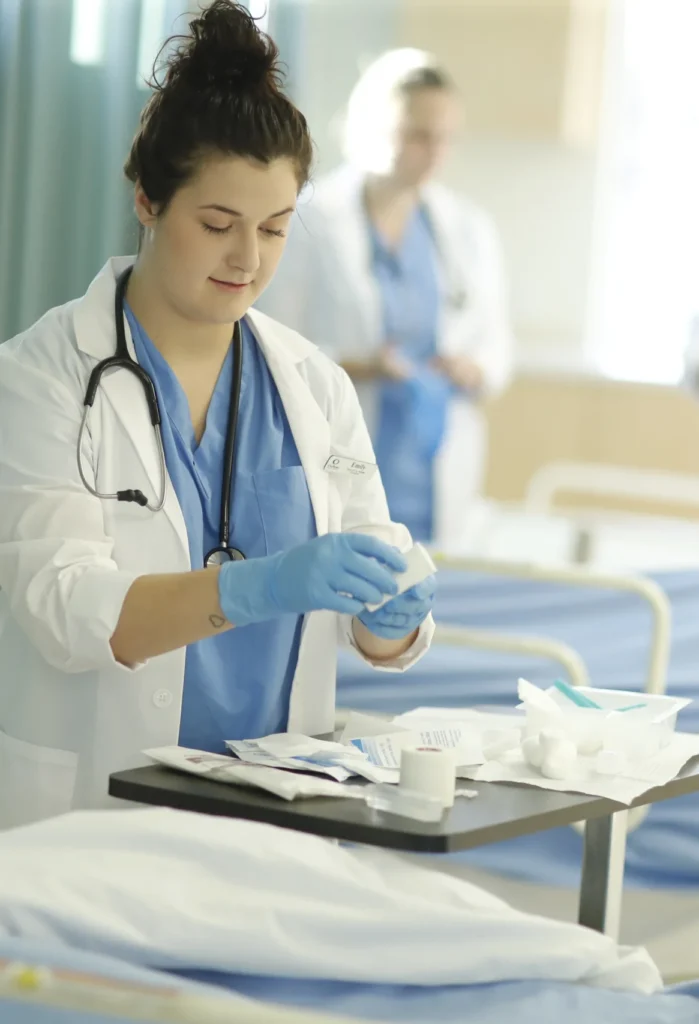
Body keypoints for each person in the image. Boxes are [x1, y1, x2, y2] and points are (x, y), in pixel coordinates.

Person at [0, 2, 435, 831]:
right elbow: (66, 611)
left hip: (277, 806)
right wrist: (258, 586)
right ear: (147, 201)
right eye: (217, 224)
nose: (248, 259)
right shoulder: (39, 378)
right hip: (97, 808)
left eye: (274, 229)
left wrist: (390, 618)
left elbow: (365, 619)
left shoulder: (313, 385)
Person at [260, 49, 515, 547]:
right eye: (418, 134)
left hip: (436, 457)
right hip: (343, 449)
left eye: (445, 138)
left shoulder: (467, 230)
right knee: (342, 582)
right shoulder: (312, 221)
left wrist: (474, 368)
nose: (434, 151)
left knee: (426, 599)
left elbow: (498, 346)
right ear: (374, 126)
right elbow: (270, 347)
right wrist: (361, 365)